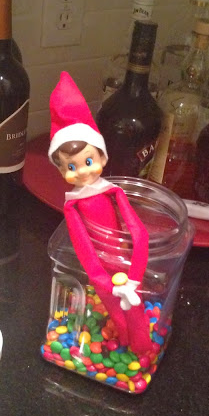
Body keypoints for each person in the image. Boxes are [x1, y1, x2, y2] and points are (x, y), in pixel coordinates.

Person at [48, 71, 153, 355]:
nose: (82, 172)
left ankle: (142, 348)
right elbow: (85, 252)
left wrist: (134, 277)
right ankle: (125, 341)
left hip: (126, 263)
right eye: (71, 167)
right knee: (114, 309)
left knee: (135, 309)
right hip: (103, 275)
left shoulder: (113, 193)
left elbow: (139, 233)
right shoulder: (73, 206)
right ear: (61, 171)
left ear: (103, 158)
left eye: (88, 161)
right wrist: (106, 284)